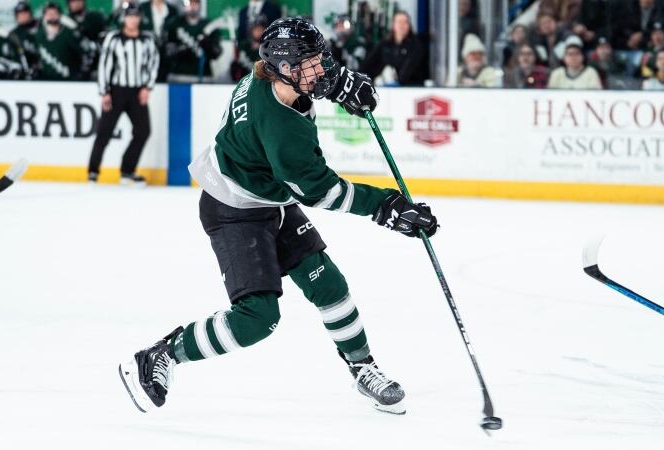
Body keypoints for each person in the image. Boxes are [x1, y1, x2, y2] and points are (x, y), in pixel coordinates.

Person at [118, 17, 438, 416]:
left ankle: (362, 367)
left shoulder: (277, 78)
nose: (320, 69)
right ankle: (160, 355)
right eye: (312, 64)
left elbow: (315, 79)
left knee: (330, 286)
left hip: (268, 195)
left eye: (321, 60)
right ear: (285, 69)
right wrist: (385, 207)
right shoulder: (281, 128)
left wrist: (340, 83)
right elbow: (322, 191)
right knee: (257, 318)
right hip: (233, 209)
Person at [88, 2, 159, 185]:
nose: (132, 20)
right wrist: (104, 92)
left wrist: (147, 87)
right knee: (104, 131)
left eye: (136, 16)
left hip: (137, 92)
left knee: (143, 131)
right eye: (129, 16)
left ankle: (127, 170)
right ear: (124, 18)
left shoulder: (147, 40)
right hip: (116, 91)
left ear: (140, 18)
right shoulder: (113, 38)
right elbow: (104, 65)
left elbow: (153, 63)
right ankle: (93, 171)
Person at [163, 0, 221, 82]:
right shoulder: (174, 24)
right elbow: (168, 52)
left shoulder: (209, 26)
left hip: (203, 76)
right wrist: (179, 51)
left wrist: (209, 45)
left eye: (195, 3)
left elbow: (216, 54)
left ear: (200, 4)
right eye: (190, 3)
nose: (193, 7)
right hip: (179, 75)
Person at [361, 11, 424, 86]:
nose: (402, 25)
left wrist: (397, 82)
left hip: (409, 88)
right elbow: (369, 63)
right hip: (383, 86)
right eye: (399, 22)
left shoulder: (415, 46)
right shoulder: (384, 44)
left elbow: (408, 69)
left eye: (405, 22)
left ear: (409, 26)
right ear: (393, 25)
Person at [34, 2, 83, 80]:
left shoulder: (68, 33)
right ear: (44, 16)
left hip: (69, 80)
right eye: (49, 13)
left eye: (54, 13)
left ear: (60, 15)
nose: (52, 16)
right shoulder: (39, 35)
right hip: (45, 82)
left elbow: (80, 54)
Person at [230, 14, 266, 82]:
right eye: (256, 29)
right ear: (251, 30)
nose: (259, 32)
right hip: (246, 80)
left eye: (261, 29)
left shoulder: (268, 46)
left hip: (262, 80)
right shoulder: (243, 45)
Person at [9, 1, 39, 77]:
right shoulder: (14, 34)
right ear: (16, 16)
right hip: (24, 71)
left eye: (25, 12)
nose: (23, 16)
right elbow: (14, 56)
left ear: (30, 13)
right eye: (20, 13)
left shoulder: (40, 28)